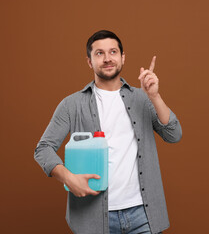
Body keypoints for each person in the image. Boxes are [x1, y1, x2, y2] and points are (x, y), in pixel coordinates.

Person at [34, 30, 182, 234]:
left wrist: (155, 96)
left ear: (122, 57)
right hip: (93, 217)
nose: (107, 59)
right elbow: (43, 149)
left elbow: (174, 135)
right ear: (89, 61)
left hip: (143, 214)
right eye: (99, 53)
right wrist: (68, 178)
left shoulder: (142, 98)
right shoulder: (72, 104)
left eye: (113, 52)